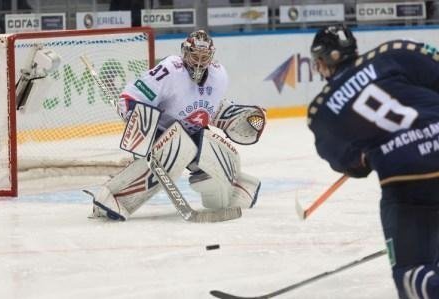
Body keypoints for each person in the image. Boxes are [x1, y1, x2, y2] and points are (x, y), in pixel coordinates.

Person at [308, 24, 439, 298]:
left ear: (324, 60)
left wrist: (365, 157)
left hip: (409, 182)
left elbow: (350, 164)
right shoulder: (395, 51)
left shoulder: (322, 110)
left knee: (413, 274)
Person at [89, 29, 265, 221]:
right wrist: (136, 117)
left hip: (194, 132)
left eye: (204, 56)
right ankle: (114, 199)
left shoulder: (219, 75)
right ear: (185, 52)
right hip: (160, 133)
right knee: (177, 148)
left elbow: (209, 108)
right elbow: (129, 98)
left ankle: (237, 189)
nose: (198, 61)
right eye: (194, 55)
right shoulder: (170, 70)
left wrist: (233, 116)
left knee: (216, 154)